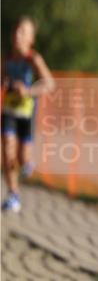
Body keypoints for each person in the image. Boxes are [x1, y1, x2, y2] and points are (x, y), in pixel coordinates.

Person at [2, 17, 55, 212]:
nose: (18, 35)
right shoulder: (7, 59)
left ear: (31, 39)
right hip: (9, 111)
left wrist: (28, 91)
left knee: (22, 158)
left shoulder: (33, 59)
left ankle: (28, 163)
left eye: (23, 32)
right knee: (7, 151)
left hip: (26, 113)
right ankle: (13, 195)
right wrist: (6, 84)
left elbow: (49, 83)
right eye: (16, 30)